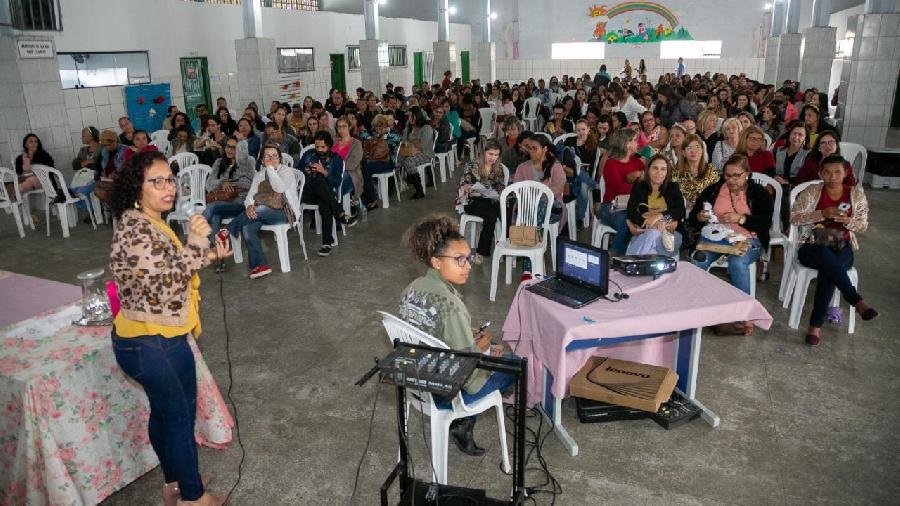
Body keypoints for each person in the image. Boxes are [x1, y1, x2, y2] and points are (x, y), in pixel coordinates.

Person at [108, 150, 230, 506]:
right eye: (156, 181)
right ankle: (193, 498)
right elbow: (168, 283)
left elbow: (171, 268)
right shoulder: (135, 230)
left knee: (165, 414)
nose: (168, 188)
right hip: (154, 342)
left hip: (151, 338)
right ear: (137, 187)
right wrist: (196, 242)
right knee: (178, 420)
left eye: (170, 180)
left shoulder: (147, 221)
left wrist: (207, 255)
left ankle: (175, 483)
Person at [398, 215, 514, 456]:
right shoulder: (451, 305)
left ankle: (463, 423)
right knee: (515, 364)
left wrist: (469, 336)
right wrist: (484, 345)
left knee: (487, 345)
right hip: (446, 391)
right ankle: (463, 421)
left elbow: (429, 329)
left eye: (469, 258)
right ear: (437, 262)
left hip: (417, 382)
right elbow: (467, 366)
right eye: (459, 260)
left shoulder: (411, 289)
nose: (468, 266)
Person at [789, 155, 877, 346]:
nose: (832, 176)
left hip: (842, 245)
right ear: (821, 173)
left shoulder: (856, 194)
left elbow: (863, 225)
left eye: (837, 172)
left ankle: (815, 326)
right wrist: (822, 213)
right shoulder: (813, 190)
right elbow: (794, 218)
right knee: (823, 254)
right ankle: (855, 299)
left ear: (846, 173)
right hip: (812, 245)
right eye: (827, 172)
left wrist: (849, 222)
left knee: (829, 270)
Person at [689, 154, 773, 335]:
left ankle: (743, 316)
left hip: (749, 238)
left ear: (747, 174)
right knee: (699, 259)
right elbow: (693, 218)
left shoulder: (759, 193)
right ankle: (696, 308)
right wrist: (700, 217)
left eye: (737, 175)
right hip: (717, 236)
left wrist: (741, 218)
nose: (732, 180)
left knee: (737, 262)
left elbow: (765, 223)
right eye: (727, 175)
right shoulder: (714, 190)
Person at [226, 143, 298, 277]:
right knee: (248, 227)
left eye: (275, 156)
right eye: (268, 157)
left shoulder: (286, 172)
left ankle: (228, 229)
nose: (271, 159)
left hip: (285, 212)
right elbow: (250, 197)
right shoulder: (259, 175)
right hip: (262, 211)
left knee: (262, 209)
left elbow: (279, 188)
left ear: (280, 158)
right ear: (262, 160)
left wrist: (271, 170)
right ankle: (261, 265)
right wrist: (248, 207)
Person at [512, 134, 567, 278]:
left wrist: (538, 196)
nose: (531, 152)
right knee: (533, 209)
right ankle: (535, 257)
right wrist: (531, 199)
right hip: (528, 209)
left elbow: (557, 189)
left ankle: (528, 265)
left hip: (553, 208)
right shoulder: (522, 168)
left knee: (541, 203)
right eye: (529, 149)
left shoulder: (555, 166)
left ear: (545, 149)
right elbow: (517, 189)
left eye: (535, 149)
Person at [297, 132, 357, 256]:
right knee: (321, 187)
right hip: (308, 193)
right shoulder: (308, 154)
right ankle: (341, 214)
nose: (319, 150)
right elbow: (297, 172)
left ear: (329, 146)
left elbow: (336, 182)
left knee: (325, 200)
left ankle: (327, 243)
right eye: (317, 147)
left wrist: (324, 172)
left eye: (322, 147)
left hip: (326, 193)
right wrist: (305, 171)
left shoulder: (336, 159)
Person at [202, 136, 255, 272]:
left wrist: (230, 183)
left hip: (240, 202)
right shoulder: (219, 162)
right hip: (222, 202)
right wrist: (222, 182)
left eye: (234, 147)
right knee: (214, 215)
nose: (230, 150)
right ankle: (219, 259)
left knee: (212, 207)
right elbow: (209, 185)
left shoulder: (248, 161)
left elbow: (249, 183)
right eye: (228, 146)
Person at [456, 139, 506, 264]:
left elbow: (500, 187)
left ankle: (504, 245)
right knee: (491, 215)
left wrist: (497, 192)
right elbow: (464, 184)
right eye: (490, 154)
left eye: (496, 155)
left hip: (490, 199)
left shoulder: (498, 168)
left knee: (505, 211)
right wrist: (469, 187)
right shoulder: (472, 165)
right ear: (484, 152)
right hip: (471, 200)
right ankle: (481, 252)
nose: (493, 158)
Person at [625, 154, 685, 255]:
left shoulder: (673, 187)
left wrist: (661, 216)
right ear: (648, 169)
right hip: (645, 231)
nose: (659, 173)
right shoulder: (639, 187)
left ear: (667, 172)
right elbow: (631, 211)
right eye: (655, 168)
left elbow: (680, 211)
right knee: (652, 240)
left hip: (668, 233)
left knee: (653, 240)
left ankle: (629, 261)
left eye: (663, 169)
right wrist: (649, 224)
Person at [599, 129, 644, 254]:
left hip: (633, 206)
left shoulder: (637, 162)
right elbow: (619, 189)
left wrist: (639, 176)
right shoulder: (611, 164)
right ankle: (615, 257)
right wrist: (637, 182)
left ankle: (634, 254)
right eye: (634, 140)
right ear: (626, 143)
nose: (638, 143)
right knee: (628, 223)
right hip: (612, 206)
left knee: (641, 220)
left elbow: (648, 184)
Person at [359, 114, 402, 209]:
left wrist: (385, 135)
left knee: (365, 167)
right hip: (374, 161)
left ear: (385, 126)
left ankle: (370, 198)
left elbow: (398, 139)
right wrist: (373, 138)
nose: (377, 129)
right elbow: (362, 134)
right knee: (364, 167)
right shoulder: (374, 132)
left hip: (388, 163)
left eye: (380, 127)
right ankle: (370, 197)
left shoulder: (393, 134)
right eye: (376, 127)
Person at [671, 133, 720, 208]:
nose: (694, 151)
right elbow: (671, 196)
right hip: (682, 211)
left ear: (702, 151)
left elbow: (717, 194)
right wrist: (684, 202)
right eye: (689, 148)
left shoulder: (711, 171)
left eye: (697, 147)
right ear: (684, 153)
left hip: (706, 211)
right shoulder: (676, 172)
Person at [398, 106, 435, 199]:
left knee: (409, 161)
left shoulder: (426, 127)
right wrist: (413, 141)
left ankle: (419, 189)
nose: (409, 119)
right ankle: (401, 183)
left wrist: (412, 143)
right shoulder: (409, 127)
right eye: (408, 117)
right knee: (397, 159)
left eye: (411, 116)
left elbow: (423, 146)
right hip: (410, 152)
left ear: (417, 116)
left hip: (426, 154)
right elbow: (404, 142)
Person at [332, 118, 364, 209]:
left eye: (344, 126)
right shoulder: (334, 142)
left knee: (339, 180)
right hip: (334, 172)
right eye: (339, 127)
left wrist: (335, 167)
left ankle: (339, 208)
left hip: (351, 173)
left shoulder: (356, 143)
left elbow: (353, 163)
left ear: (349, 127)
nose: (341, 129)